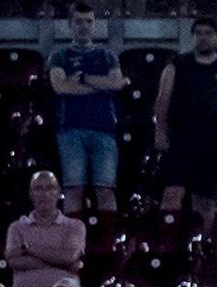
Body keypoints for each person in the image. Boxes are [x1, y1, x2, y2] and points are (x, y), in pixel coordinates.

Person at [153, 15, 217, 232]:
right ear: (192, 37)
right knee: (172, 193)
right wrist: (160, 131)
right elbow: (162, 100)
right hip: (179, 141)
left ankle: (202, 245)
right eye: (198, 33)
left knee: (205, 200)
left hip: (213, 143)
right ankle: (168, 242)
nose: (203, 38)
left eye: (208, 33)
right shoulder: (177, 65)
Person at [49, 3, 124, 215]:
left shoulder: (108, 55)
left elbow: (117, 84)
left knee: (106, 189)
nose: (84, 26)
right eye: (79, 21)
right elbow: (60, 87)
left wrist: (82, 78)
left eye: (89, 21)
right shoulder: (59, 55)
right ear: (69, 25)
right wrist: (101, 85)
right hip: (71, 129)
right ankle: (73, 236)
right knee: (73, 189)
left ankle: (108, 234)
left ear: (95, 25)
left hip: (104, 129)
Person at [5, 172, 87, 287]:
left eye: (49, 188)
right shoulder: (17, 227)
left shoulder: (74, 226)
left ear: (59, 193)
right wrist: (60, 264)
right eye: (38, 188)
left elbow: (69, 257)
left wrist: (28, 248)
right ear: (31, 193)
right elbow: (14, 261)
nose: (44, 193)